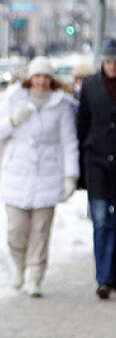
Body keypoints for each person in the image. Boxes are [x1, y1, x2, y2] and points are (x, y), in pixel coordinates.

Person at [0, 56, 79, 297]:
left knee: (41, 232)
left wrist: (71, 175)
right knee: (16, 230)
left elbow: (69, 141)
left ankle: (35, 277)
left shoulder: (61, 104)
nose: (41, 82)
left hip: (48, 175)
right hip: (16, 174)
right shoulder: (13, 98)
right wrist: (13, 120)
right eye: (37, 77)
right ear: (30, 78)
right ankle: (19, 266)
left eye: (46, 77)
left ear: (51, 80)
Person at [76, 38, 116, 300]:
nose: (113, 66)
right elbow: (81, 126)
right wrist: (80, 170)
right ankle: (103, 278)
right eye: (109, 61)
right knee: (100, 222)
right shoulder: (90, 85)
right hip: (96, 163)